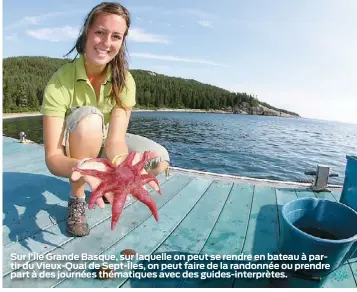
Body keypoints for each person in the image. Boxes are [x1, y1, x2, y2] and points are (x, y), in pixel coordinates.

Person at [40, 2, 170, 237]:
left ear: (122, 42)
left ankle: (109, 186)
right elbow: (53, 158)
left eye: (116, 36)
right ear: (87, 32)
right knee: (89, 118)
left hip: (105, 143)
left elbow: (115, 141)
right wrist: (83, 166)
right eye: (100, 32)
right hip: (78, 145)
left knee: (158, 160)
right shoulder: (60, 81)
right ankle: (77, 198)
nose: (106, 43)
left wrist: (123, 167)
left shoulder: (125, 81)